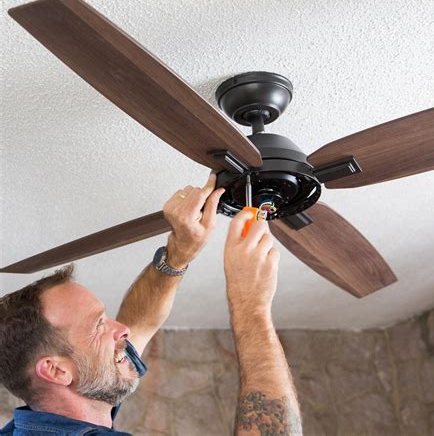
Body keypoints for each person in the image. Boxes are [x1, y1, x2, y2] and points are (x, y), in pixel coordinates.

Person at [0, 174, 302, 435]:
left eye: (105, 319)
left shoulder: (58, 415)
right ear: (55, 370)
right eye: (98, 326)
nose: (123, 331)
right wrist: (251, 305)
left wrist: (179, 253)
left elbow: (138, 325)